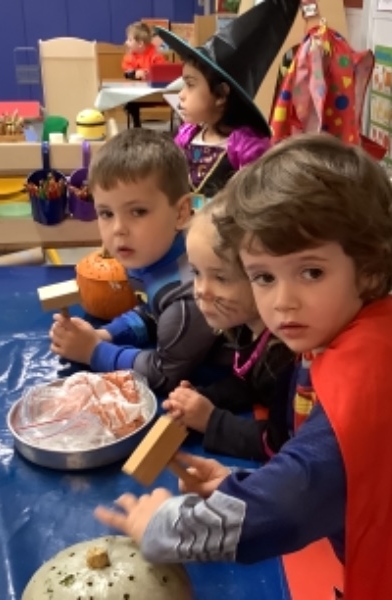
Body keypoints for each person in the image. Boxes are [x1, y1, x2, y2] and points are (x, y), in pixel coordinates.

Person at [94, 134, 392, 599]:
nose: (283, 301)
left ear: (369, 267)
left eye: (311, 272)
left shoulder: (372, 372)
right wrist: (248, 485)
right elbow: (341, 473)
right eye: (263, 276)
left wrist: (165, 525)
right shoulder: (358, 333)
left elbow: (291, 504)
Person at [49, 129, 228, 395]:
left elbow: (163, 374)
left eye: (138, 211)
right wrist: (105, 335)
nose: (118, 229)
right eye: (106, 213)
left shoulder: (191, 296)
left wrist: (93, 351)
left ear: (181, 212)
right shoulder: (152, 253)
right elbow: (151, 312)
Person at [163, 197, 296, 460]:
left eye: (221, 278)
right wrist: (203, 398)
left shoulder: (283, 358)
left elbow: (280, 444)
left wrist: (210, 420)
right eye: (196, 273)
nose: (201, 291)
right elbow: (246, 381)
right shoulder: (245, 323)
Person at [155, 0, 298, 201]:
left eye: (190, 84)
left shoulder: (247, 148)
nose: (181, 94)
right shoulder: (186, 137)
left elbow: (257, 203)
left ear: (221, 94)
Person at [121, 21, 166, 129]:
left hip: (154, 93)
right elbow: (126, 73)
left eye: (130, 40)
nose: (126, 42)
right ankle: (137, 125)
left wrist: (149, 74)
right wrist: (135, 74)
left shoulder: (156, 55)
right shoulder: (130, 56)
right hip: (137, 94)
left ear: (140, 43)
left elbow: (162, 71)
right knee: (128, 102)